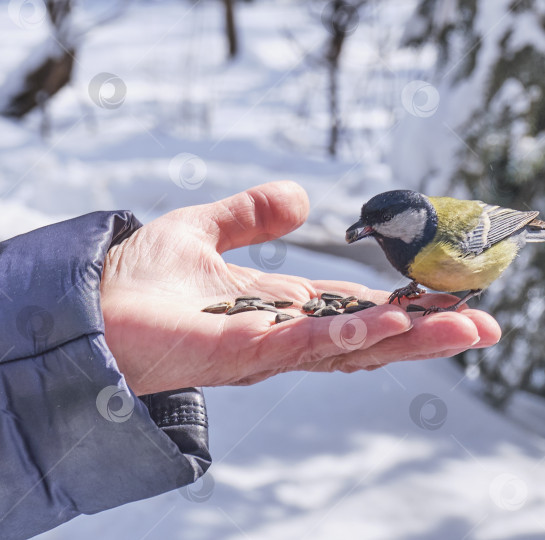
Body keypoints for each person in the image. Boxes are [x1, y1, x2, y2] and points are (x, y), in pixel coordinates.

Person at [0, 181, 500, 539]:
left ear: (412, 222)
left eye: (381, 225)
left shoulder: (446, 235)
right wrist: (92, 322)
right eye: (370, 223)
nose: (370, 231)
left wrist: (94, 323)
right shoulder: (405, 243)